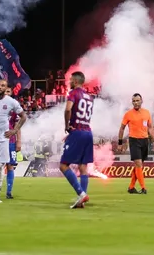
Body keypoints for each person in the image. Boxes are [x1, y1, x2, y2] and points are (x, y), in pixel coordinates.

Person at [59, 71, 94, 209]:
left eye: (70, 80)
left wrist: (67, 126)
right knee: (83, 167)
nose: (69, 82)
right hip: (88, 132)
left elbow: (68, 110)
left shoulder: (73, 93)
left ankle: (81, 193)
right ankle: (82, 198)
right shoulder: (90, 97)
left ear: (75, 81)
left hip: (77, 131)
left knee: (63, 165)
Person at [118, 93, 154, 195]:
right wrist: (120, 142)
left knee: (139, 165)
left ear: (141, 101)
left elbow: (150, 127)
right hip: (134, 140)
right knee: (138, 163)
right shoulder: (128, 114)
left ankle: (131, 187)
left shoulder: (147, 113)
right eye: (134, 101)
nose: (135, 103)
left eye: (137, 100)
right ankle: (143, 188)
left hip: (144, 140)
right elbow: (122, 128)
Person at [4, 85, 22, 199]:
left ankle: (9, 192)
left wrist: (19, 141)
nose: (7, 93)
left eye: (9, 91)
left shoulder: (15, 107)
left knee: (10, 165)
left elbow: (18, 126)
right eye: (5, 91)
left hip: (10, 140)